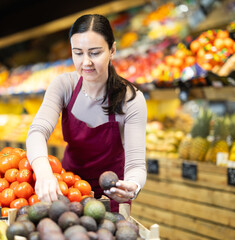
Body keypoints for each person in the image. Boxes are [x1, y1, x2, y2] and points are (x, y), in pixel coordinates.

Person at [26, 14, 147, 212]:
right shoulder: (64, 85)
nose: (86, 62)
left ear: (112, 50)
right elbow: (37, 131)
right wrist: (44, 172)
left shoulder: (131, 99)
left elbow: (136, 165)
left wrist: (133, 185)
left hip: (112, 197)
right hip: (68, 191)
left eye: (95, 53)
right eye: (78, 53)